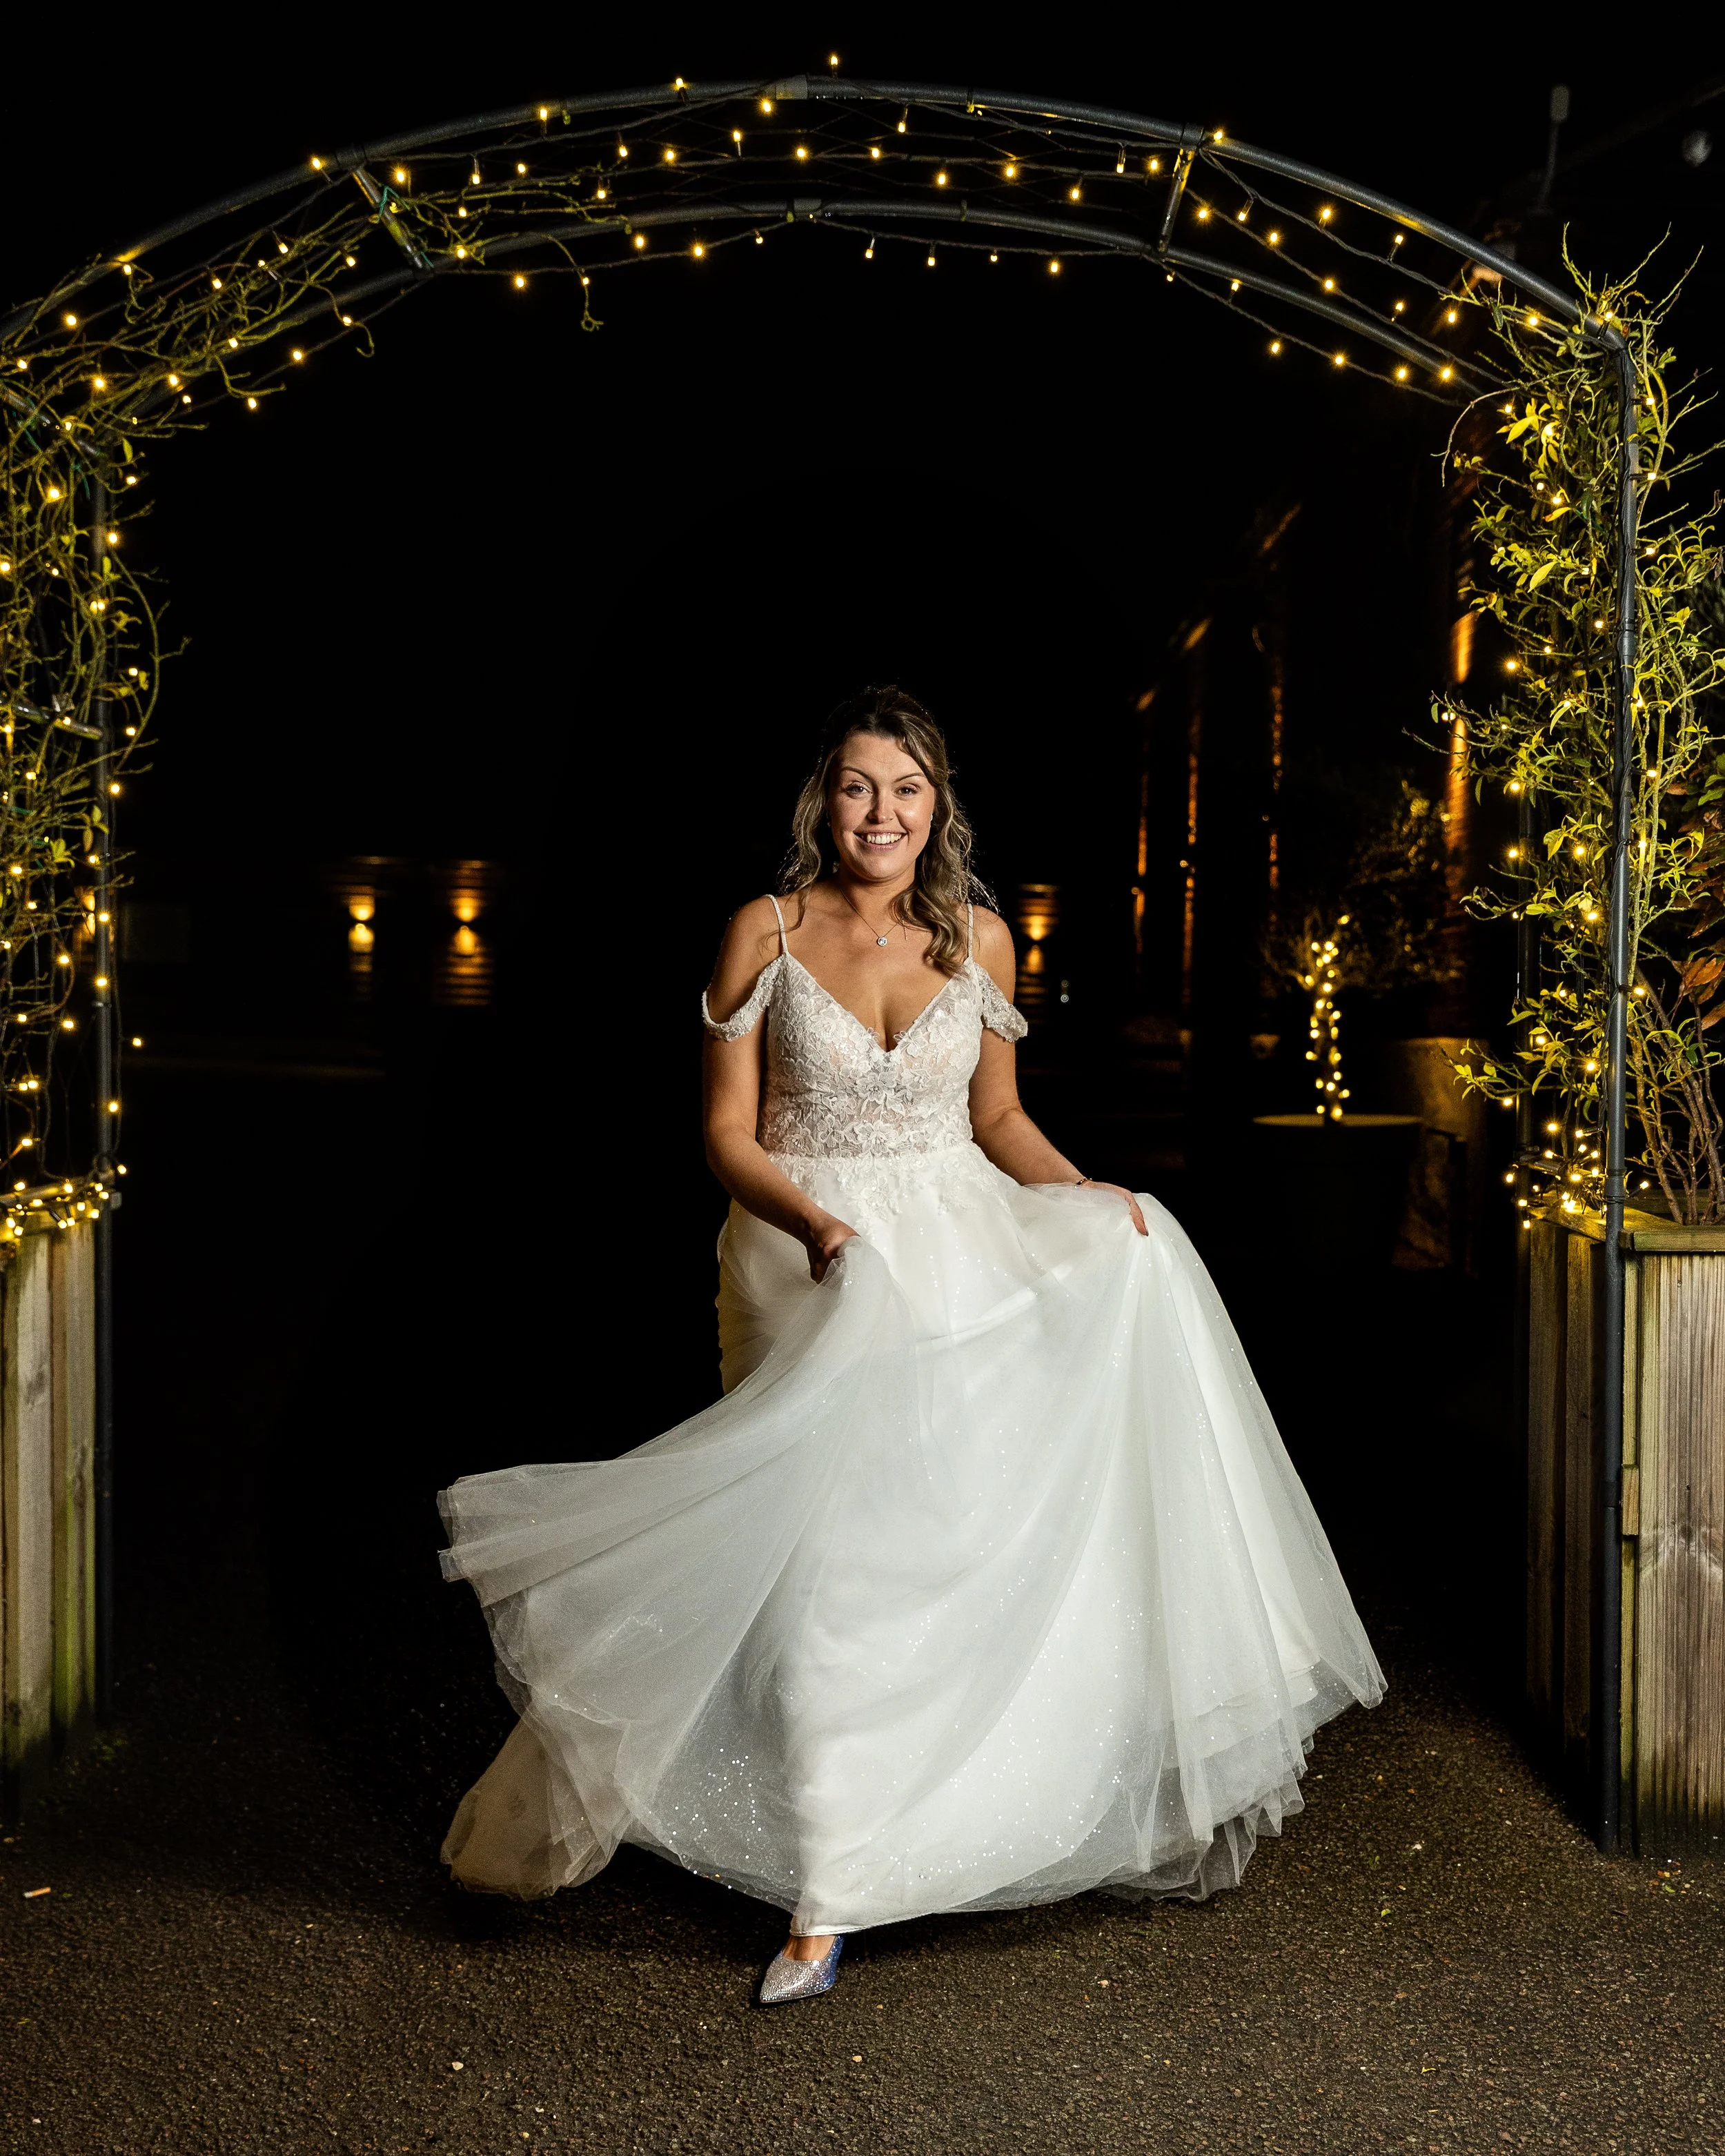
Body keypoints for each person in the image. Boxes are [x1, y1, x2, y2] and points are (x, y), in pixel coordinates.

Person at [437, 685, 1383, 2006]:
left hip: (952, 1247)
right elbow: (726, 1133)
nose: (881, 814)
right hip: (801, 1250)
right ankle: (826, 1896)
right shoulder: (761, 933)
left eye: (907, 790)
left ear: (937, 808)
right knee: (823, 1579)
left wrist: (1085, 1198)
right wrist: (812, 1222)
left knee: (930, 1557)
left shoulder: (981, 940)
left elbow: (997, 1118)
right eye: (857, 788)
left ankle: (919, 1842)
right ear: (822, 803)